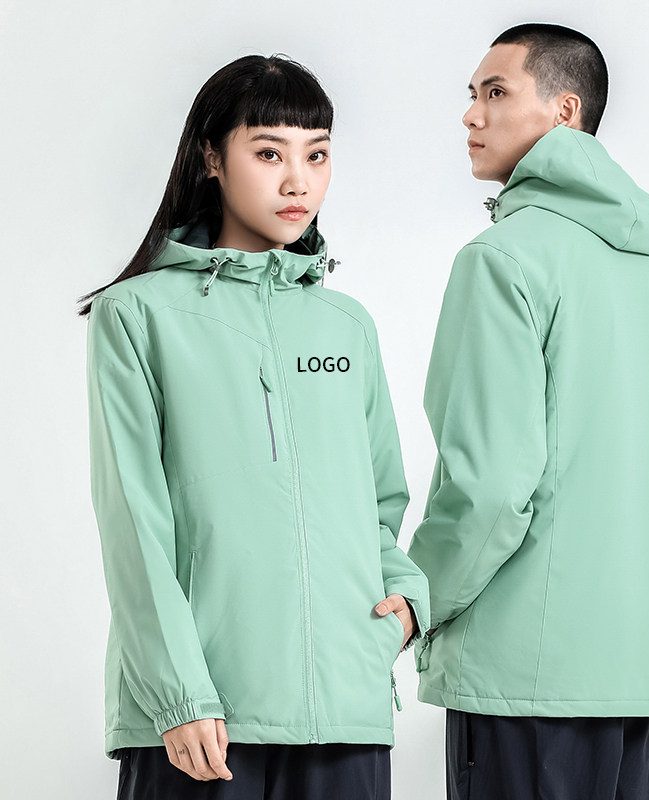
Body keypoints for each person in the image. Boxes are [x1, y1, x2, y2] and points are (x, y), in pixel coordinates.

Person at [79, 54, 429, 800]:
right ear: (212, 157)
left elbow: (378, 504)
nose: (297, 181)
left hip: (346, 711)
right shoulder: (137, 315)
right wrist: (178, 695)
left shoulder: (346, 325)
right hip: (203, 719)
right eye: (269, 153)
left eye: (317, 155)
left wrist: (404, 606)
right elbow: (135, 524)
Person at [407, 23, 649, 800]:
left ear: (565, 110)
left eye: (495, 92)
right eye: (472, 95)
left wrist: (415, 603)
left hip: (526, 680)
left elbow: (489, 486)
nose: (471, 114)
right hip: (646, 670)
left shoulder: (502, 260)